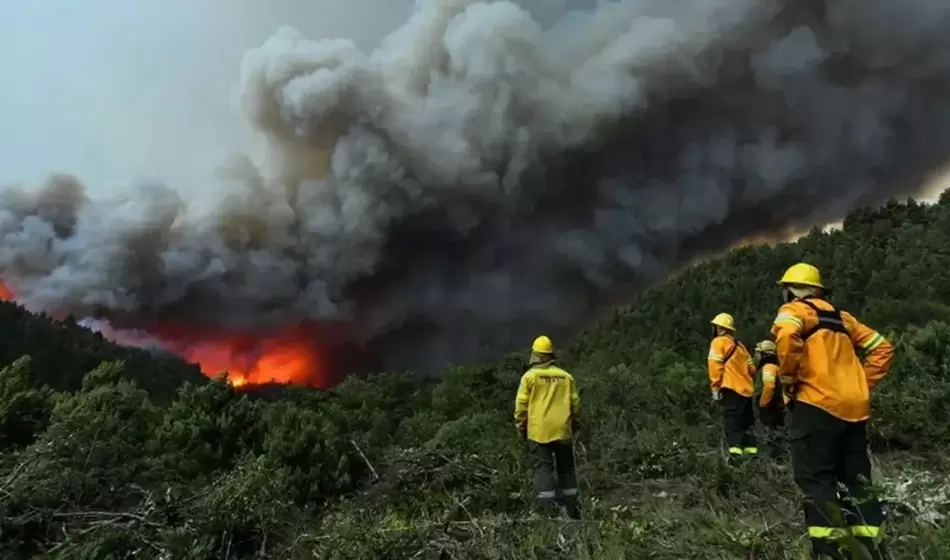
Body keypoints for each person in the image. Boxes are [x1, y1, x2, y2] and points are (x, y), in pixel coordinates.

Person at [772, 263, 894, 559]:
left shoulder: (794, 312)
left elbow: (787, 338)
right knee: (857, 480)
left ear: (792, 290)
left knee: (816, 481)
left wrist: (788, 380)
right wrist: (859, 383)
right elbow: (883, 348)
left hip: (815, 407)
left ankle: (831, 551)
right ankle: (871, 549)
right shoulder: (843, 318)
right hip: (853, 410)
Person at [513, 335, 583, 519]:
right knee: (566, 469)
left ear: (536, 355)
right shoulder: (566, 377)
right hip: (562, 431)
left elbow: (521, 407)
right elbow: (575, 404)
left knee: (543, 470)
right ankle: (573, 509)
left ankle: (548, 512)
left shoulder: (529, 377)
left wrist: (521, 428)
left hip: (538, 432)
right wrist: (576, 424)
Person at [707, 313, 758, 457]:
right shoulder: (740, 346)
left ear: (719, 328)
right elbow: (752, 369)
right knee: (747, 425)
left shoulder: (718, 343)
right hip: (747, 391)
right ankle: (751, 457)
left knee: (732, 425)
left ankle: (736, 458)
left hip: (730, 389)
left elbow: (714, 366)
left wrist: (715, 388)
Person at [753, 340, 787, 460]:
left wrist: (762, 404)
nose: (756, 356)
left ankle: (776, 463)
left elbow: (769, 386)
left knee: (772, 437)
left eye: (758, 353)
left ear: (764, 354)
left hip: (771, 408)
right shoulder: (775, 367)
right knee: (776, 436)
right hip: (775, 407)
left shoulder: (768, 367)